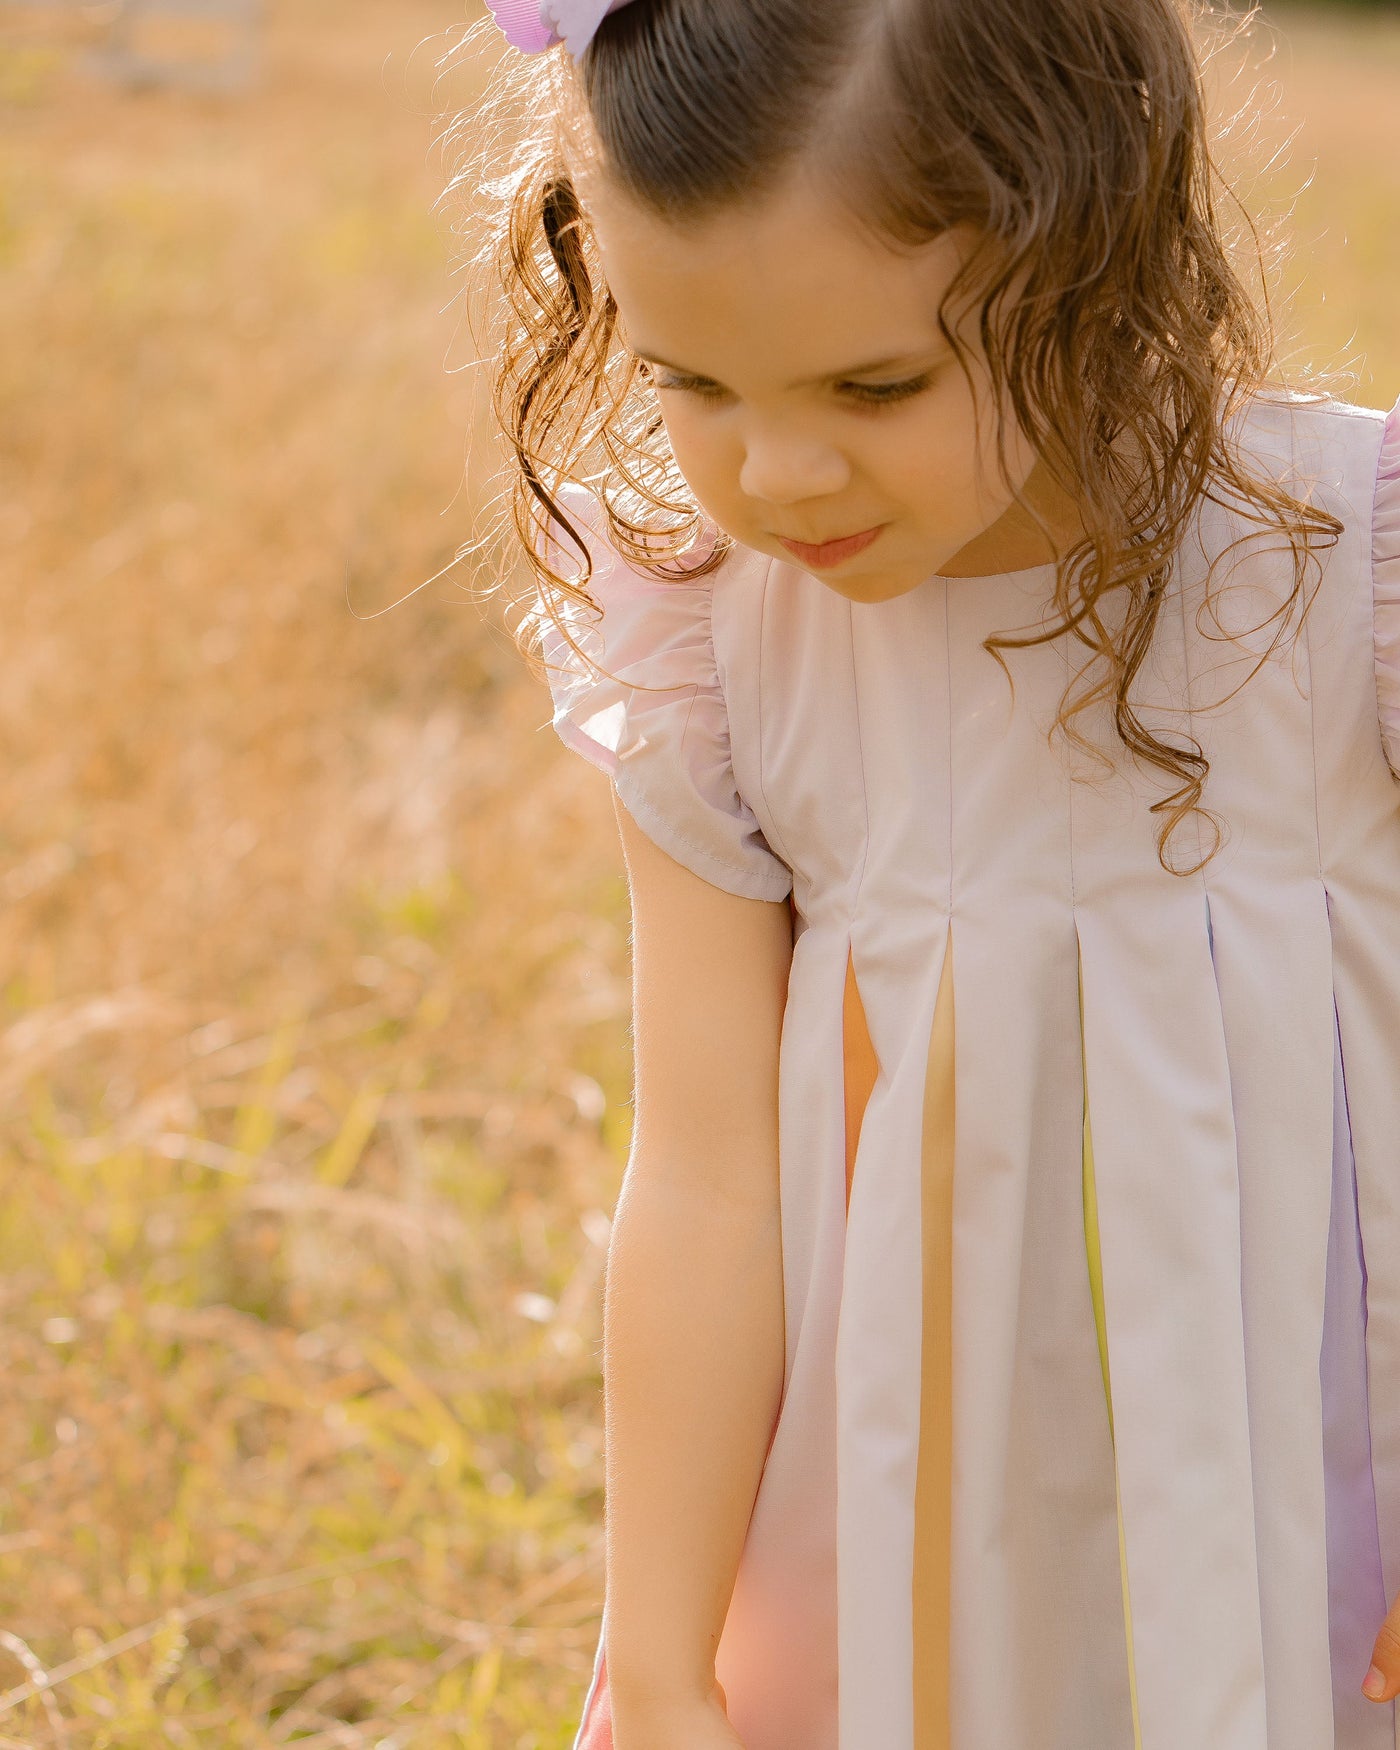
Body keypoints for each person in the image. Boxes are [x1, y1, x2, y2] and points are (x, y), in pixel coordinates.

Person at [468, 0, 1400, 1744]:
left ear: (1097, 262)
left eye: (874, 383)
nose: (778, 469)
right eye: (692, 382)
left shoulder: (1354, 560)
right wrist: (657, 1655)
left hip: (1318, 1470)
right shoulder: (718, 649)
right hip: (907, 1502)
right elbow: (705, 1174)